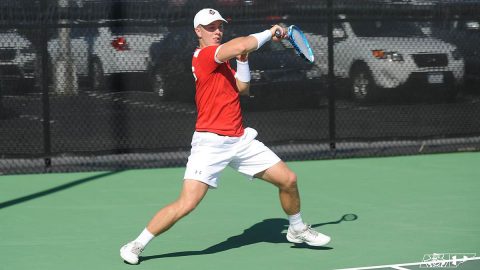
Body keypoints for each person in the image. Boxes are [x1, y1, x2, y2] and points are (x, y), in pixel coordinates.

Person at [120, 8, 331, 265]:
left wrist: (243, 60)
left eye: (219, 26)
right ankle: (136, 244)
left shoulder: (223, 65)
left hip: (240, 140)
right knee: (187, 203)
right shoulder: (206, 56)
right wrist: (270, 31)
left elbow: (243, 88)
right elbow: (241, 43)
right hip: (210, 143)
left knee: (288, 180)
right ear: (198, 32)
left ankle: (297, 229)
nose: (217, 31)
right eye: (211, 27)